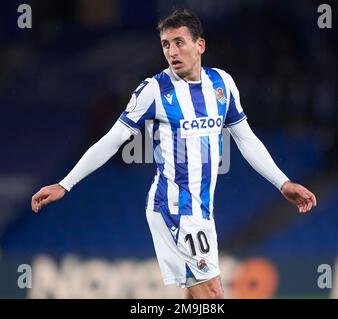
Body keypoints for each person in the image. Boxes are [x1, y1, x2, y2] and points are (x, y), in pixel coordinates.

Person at [31, 9, 317, 299]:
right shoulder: (154, 90)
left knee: (195, 298)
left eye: (179, 42)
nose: (172, 51)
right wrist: (65, 184)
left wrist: (283, 182)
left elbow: (245, 138)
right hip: (176, 208)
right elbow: (111, 140)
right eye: (166, 45)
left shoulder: (222, 84)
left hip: (200, 208)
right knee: (213, 296)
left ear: (200, 45)